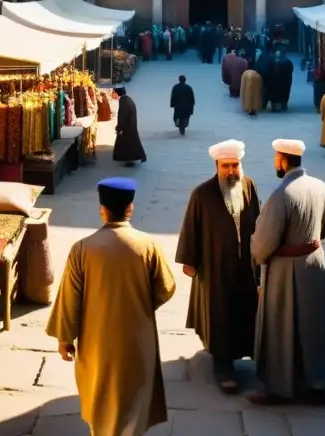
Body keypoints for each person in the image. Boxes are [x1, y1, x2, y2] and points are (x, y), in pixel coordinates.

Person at [47, 177, 175, 436]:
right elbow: (166, 288)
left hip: (97, 343)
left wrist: (64, 338)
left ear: (102, 209)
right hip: (138, 341)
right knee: (134, 401)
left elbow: (70, 299)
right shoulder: (147, 245)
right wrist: (139, 305)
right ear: (131, 209)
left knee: (101, 402)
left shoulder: (82, 249)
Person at [249, 139, 325, 406]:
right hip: (314, 263)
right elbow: (322, 230)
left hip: (285, 270)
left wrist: (256, 256)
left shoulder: (281, 195)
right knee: (313, 322)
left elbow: (264, 243)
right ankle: (317, 383)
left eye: (277, 157)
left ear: (283, 160)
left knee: (281, 324)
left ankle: (278, 387)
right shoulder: (320, 186)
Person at [175, 139, 261, 394]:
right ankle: (223, 369)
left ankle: (244, 356)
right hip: (214, 267)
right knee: (220, 315)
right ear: (217, 166)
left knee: (245, 312)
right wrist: (189, 261)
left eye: (235, 165)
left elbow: (258, 218)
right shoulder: (202, 193)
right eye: (226, 166)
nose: (232, 171)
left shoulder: (248, 186)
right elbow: (191, 227)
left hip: (245, 266)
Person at [114, 87, 147, 166]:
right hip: (130, 125)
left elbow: (122, 115)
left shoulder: (123, 101)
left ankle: (129, 160)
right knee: (133, 143)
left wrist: (119, 127)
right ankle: (132, 158)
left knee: (128, 145)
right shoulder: (128, 99)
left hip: (127, 127)